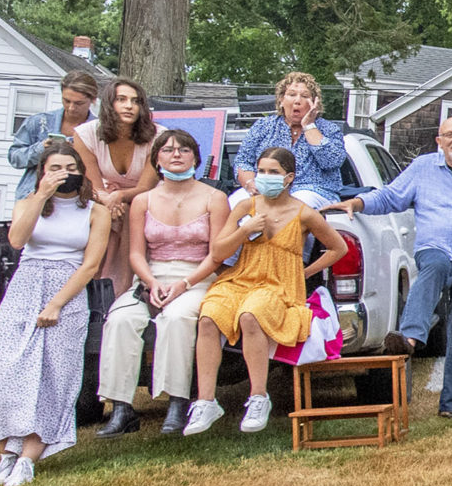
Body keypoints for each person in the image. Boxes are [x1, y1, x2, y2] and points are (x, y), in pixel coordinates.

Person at [324, 113, 452, 419]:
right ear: (439, 141)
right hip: (434, 250)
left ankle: (451, 406)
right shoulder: (423, 168)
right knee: (436, 266)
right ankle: (409, 338)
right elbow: (390, 197)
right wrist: (357, 203)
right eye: (449, 134)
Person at [188, 147, 350, 436]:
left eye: (272, 172)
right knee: (209, 316)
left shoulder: (304, 214)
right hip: (242, 277)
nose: (265, 177)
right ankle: (206, 400)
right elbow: (218, 251)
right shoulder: (244, 207)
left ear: (288, 177)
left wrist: (304, 273)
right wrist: (244, 230)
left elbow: (339, 248)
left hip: (279, 285)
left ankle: (258, 397)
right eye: (261, 171)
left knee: (252, 314)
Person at [0, 138, 113, 486]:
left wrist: (57, 303)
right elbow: (16, 241)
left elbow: (90, 266)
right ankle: (7, 452)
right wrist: (41, 195)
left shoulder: (95, 211)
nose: (64, 174)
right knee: (7, 370)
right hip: (25, 285)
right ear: (43, 172)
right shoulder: (27, 204)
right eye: (55, 168)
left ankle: (29, 457)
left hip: (68, 289)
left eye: (70, 169)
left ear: (81, 174)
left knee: (55, 375)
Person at [94, 128, 229, 437]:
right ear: (156, 159)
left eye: (183, 149)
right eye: (167, 150)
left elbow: (217, 255)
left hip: (197, 276)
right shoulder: (143, 200)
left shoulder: (215, 198)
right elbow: (136, 254)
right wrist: (151, 282)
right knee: (121, 319)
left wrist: (184, 283)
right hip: (152, 276)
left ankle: (177, 402)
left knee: (176, 318)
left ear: (195, 156)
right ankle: (121, 407)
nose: (176, 154)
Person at [73, 76, 160, 311]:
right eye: (121, 99)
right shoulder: (86, 134)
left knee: (132, 209)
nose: (129, 106)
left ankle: (124, 291)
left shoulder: (158, 136)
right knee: (103, 213)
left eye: (135, 101)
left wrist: (119, 197)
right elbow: (92, 184)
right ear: (109, 104)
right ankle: (91, 291)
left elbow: (145, 187)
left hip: (143, 200)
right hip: (101, 197)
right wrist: (108, 199)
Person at [235, 71, 351, 201]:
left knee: (297, 204)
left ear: (314, 102)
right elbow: (243, 161)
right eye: (291, 95)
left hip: (312, 193)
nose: (297, 101)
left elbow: (332, 162)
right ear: (281, 100)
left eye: (304, 96)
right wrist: (251, 183)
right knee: (236, 200)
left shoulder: (329, 129)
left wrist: (309, 125)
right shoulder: (263, 126)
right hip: (267, 191)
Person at [7, 69, 102, 198]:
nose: (71, 107)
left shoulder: (99, 131)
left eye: (79, 103)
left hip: (79, 199)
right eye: (66, 101)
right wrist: (41, 149)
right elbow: (15, 158)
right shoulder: (39, 122)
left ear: (93, 100)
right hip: (34, 195)